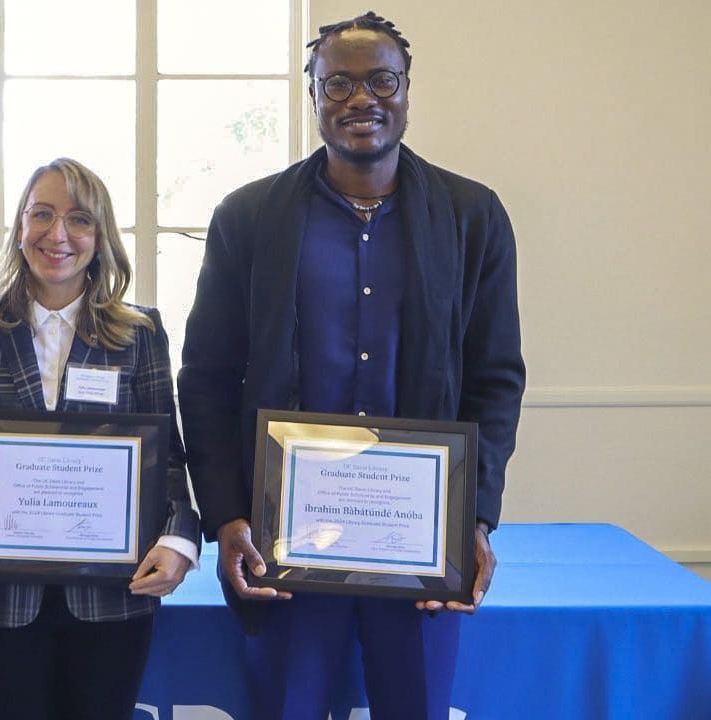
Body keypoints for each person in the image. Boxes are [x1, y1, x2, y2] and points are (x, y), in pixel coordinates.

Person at [177, 12, 525, 720]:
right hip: (284, 544)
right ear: (312, 96)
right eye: (337, 82)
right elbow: (207, 377)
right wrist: (229, 517)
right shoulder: (248, 218)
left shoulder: (472, 216)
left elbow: (495, 378)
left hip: (422, 540)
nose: (360, 98)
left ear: (406, 90)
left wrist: (476, 519)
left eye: (380, 80)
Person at [0, 157, 200, 720]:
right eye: (41, 215)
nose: (58, 234)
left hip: (116, 593)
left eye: (79, 220)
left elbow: (167, 460)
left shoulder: (139, 333)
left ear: (101, 236)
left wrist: (179, 540)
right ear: (20, 228)